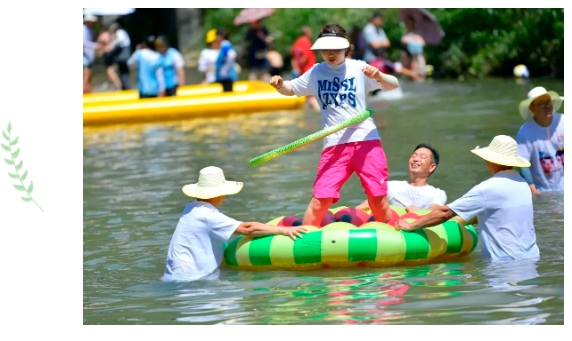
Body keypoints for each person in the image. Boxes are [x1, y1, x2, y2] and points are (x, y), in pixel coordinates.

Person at [268, 24, 400, 227]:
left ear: (346, 48)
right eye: (325, 50)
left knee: (376, 197)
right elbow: (291, 88)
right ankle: (306, 243)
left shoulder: (359, 68)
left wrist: (379, 76)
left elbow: (393, 84)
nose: (330, 54)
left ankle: (390, 238)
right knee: (320, 198)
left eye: (336, 49)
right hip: (334, 144)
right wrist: (279, 85)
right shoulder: (316, 72)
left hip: (366, 140)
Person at [396, 135, 540, 262]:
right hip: (531, 259)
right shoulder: (522, 184)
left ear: (491, 160)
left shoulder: (488, 188)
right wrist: (456, 221)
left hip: (505, 265)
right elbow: (495, 215)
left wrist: (411, 225)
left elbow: (445, 213)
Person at [161, 166, 307, 282]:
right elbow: (247, 229)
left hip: (174, 277)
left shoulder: (191, 209)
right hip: (192, 281)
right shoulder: (208, 215)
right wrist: (283, 230)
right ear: (219, 194)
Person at [356, 143, 446, 211]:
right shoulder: (390, 187)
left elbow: (434, 212)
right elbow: (365, 206)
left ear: (432, 167)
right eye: (414, 155)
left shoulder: (437, 194)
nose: (415, 159)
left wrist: (417, 214)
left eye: (422, 157)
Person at [516, 86, 564, 194]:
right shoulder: (525, 132)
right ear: (532, 108)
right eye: (542, 103)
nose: (547, 106)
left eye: (549, 102)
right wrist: (533, 189)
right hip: (542, 191)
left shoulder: (564, 122)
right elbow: (523, 163)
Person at [291, 26, 320, 111]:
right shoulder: (306, 41)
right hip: (309, 71)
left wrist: (296, 69)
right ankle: (318, 114)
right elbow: (305, 56)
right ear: (307, 33)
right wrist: (300, 65)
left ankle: (309, 119)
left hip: (301, 72)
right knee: (311, 95)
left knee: (307, 94)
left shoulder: (296, 42)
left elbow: (293, 58)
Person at [104, 22, 132, 90]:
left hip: (123, 53)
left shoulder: (120, 32)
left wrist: (111, 46)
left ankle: (126, 86)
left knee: (123, 71)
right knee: (123, 71)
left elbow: (120, 40)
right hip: (123, 53)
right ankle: (124, 86)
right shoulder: (121, 32)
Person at [399, 15, 427, 80]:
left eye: (411, 23)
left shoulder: (418, 33)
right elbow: (403, 41)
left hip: (416, 58)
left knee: (419, 76)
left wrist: (413, 41)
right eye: (408, 23)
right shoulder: (405, 34)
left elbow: (422, 43)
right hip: (407, 57)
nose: (410, 24)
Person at [214, 28, 238, 92]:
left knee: (227, 91)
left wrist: (225, 68)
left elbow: (232, 55)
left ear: (220, 36)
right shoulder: (225, 44)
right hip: (226, 75)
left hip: (226, 75)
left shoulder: (225, 44)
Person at [83, 14, 99, 94]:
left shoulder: (90, 30)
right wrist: (97, 46)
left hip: (89, 58)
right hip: (84, 58)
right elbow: (84, 43)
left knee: (89, 77)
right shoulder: (83, 30)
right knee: (86, 75)